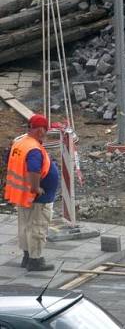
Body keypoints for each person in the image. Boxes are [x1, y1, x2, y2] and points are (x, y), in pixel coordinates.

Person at [4, 114, 60, 271]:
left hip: (22, 194)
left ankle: (27, 257)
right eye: (46, 130)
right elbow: (33, 169)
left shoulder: (20, 142)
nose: (46, 134)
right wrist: (36, 188)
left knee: (25, 226)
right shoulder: (34, 149)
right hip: (35, 197)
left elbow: (9, 159)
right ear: (41, 130)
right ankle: (36, 260)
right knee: (37, 227)